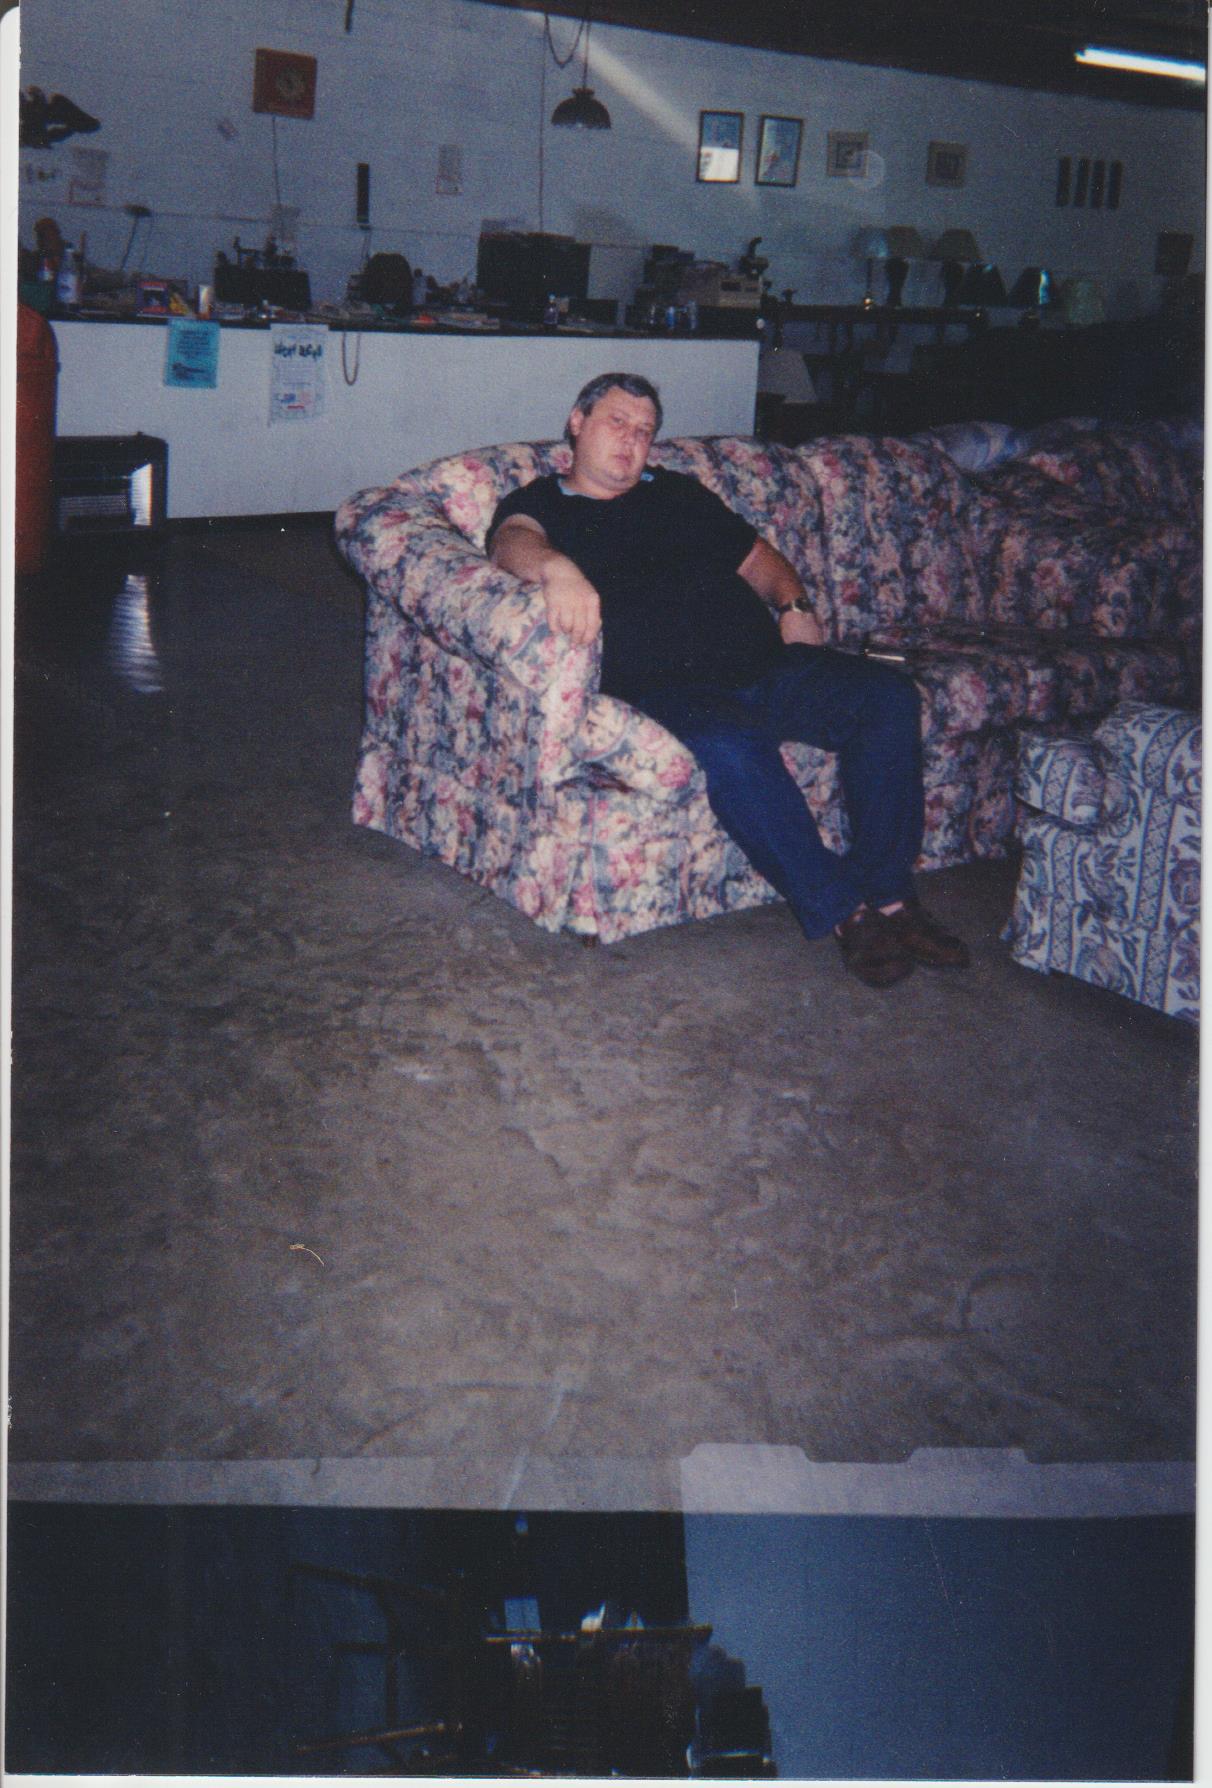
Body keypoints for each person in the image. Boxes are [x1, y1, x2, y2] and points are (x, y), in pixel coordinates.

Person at [486, 372, 969, 987]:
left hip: (764, 665)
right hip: (669, 687)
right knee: (731, 748)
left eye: (644, 431)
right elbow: (511, 544)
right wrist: (558, 570)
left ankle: (891, 896)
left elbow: (757, 558)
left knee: (887, 696)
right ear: (577, 424)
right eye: (617, 423)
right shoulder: (544, 503)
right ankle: (845, 912)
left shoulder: (678, 493)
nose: (631, 441)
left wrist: (794, 604)